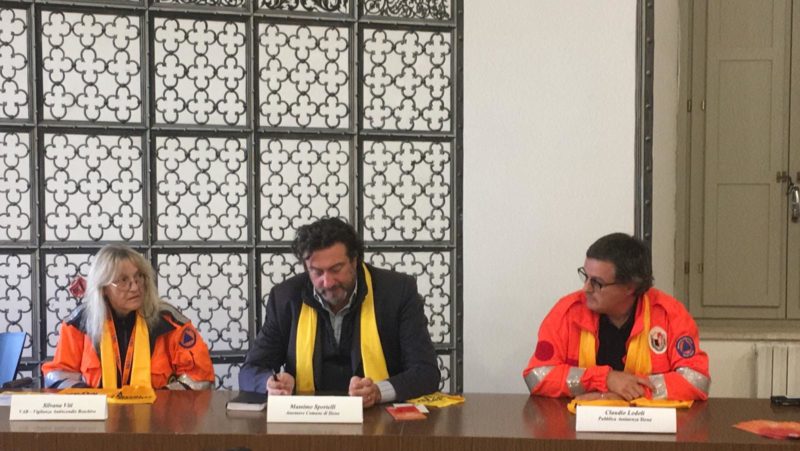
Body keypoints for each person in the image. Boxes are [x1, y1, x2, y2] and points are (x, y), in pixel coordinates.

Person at [239, 218, 440, 407]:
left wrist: (378, 391)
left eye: (336, 269)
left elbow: (426, 372)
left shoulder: (397, 292)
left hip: (380, 418)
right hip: (306, 419)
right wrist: (270, 384)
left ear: (355, 260)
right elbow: (249, 371)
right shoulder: (285, 298)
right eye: (317, 272)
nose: (327, 282)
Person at [523, 233, 710, 401]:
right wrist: (605, 379)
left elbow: (697, 379)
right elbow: (537, 375)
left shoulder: (669, 314)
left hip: (650, 425)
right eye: (585, 276)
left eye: (597, 282)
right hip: (577, 423)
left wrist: (626, 394)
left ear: (629, 287)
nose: (586, 288)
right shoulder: (567, 312)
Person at [43, 244, 214, 390]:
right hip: (98, 414)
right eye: (123, 280)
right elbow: (58, 374)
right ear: (103, 288)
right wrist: (88, 397)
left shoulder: (170, 323)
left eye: (139, 277)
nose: (135, 287)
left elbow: (200, 377)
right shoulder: (79, 324)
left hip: (158, 414)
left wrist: (162, 399)